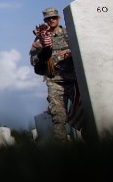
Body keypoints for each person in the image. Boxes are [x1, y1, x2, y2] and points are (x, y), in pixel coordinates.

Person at [29, 7, 77, 142]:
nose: (51, 20)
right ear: (45, 20)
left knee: (83, 114)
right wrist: (42, 55)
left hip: (74, 81)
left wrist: (69, 53)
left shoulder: (69, 34)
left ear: (58, 18)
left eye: (54, 18)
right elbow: (33, 60)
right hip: (55, 82)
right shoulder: (41, 38)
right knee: (58, 118)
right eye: (48, 19)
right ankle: (62, 152)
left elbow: (80, 51)